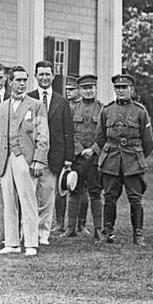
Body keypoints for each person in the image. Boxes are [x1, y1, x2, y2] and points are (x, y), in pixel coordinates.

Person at [0, 66, 49, 256]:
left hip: (26, 158)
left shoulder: (36, 105)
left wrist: (39, 160)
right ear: (10, 81)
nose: (22, 84)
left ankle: (31, 243)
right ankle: (12, 242)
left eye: (24, 80)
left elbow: (43, 135)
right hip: (6, 158)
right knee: (8, 201)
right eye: (18, 80)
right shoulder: (1, 107)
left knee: (28, 200)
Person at [96, 72, 153, 246]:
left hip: (132, 161)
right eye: (118, 87)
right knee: (109, 197)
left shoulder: (140, 111)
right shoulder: (106, 110)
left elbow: (148, 142)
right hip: (111, 160)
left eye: (124, 87)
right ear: (114, 89)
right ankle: (108, 232)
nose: (121, 91)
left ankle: (138, 234)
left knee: (135, 199)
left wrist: (137, 155)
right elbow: (100, 137)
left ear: (131, 89)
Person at [28, 59, 74, 246]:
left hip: (53, 158)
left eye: (48, 74)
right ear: (35, 76)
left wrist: (68, 160)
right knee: (29, 196)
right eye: (41, 74)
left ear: (53, 76)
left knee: (47, 197)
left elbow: (69, 132)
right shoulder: (28, 98)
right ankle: (28, 232)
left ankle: (43, 234)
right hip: (31, 157)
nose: (44, 77)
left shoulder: (62, 103)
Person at [65, 73, 105, 239]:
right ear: (79, 90)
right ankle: (70, 229)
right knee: (74, 191)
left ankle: (98, 229)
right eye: (84, 88)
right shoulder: (72, 109)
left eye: (91, 88)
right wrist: (81, 149)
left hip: (96, 159)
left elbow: (105, 134)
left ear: (95, 89)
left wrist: (94, 149)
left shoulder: (103, 109)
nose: (88, 91)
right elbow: (69, 133)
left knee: (95, 192)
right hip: (78, 158)